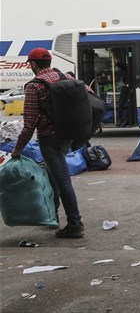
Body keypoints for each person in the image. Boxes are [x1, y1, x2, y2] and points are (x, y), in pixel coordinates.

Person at [10, 48, 85, 238]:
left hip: (49, 138)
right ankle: (52, 216)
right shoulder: (64, 76)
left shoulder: (34, 86)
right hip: (66, 134)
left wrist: (17, 149)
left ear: (33, 64)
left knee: (61, 179)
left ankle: (75, 224)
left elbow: (29, 124)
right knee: (53, 175)